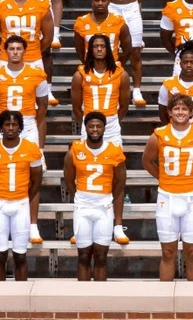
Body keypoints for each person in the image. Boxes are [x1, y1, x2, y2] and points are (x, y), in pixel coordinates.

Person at [143, 94, 193, 281]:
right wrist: (163, 178)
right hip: (167, 197)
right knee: (167, 252)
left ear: (191, 112)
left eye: (184, 108)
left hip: (192, 197)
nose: (180, 112)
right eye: (176, 108)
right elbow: (146, 161)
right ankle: (164, 301)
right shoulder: (158, 135)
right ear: (169, 112)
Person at [0, 110, 46, 281]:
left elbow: (37, 180)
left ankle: (22, 297)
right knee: (0, 255)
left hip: (21, 203)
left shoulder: (30, 148)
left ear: (20, 127)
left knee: (20, 255)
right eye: (7, 124)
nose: (10, 128)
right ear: (1, 127)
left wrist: (25, 197)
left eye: (14, 124)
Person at [65, 111, 128, 280]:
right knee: (84, 255)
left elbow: (121, 181)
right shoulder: (75, 149)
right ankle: (83, 299)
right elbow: (69, 179)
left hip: (103, 206)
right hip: (83, 206)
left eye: (98, 126)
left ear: (104, 128)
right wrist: (78, 197)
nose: (95, 129)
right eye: (91, 126)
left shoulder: (114, 151)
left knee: (101, 256)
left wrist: (109, 198)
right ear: (85, 128)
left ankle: (100, 299)